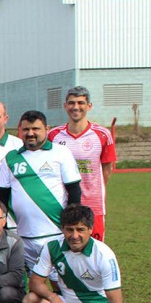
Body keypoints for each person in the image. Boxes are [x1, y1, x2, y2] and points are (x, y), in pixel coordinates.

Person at [0, 111, 82, 271]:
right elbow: (2, 197)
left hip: (55, 233)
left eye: (36, 129)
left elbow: (74, 191)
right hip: (21, 235)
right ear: (19, 130)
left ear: (47, 129)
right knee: (27, 284)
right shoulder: (10, 158)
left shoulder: (61, 153)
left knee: (61, 283)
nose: (30, 133)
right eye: (26, 129)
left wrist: (69, 225)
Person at [48, 87, 116, 241]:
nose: (76, 107)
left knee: (94, 252)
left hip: (93, 205)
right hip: (62, 204)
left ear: (89, 106)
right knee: (63, 250)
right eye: (71, 103)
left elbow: (107, 172)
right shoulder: (53, 135)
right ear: (65, 106)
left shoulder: (103, 134)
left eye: (81, 103)